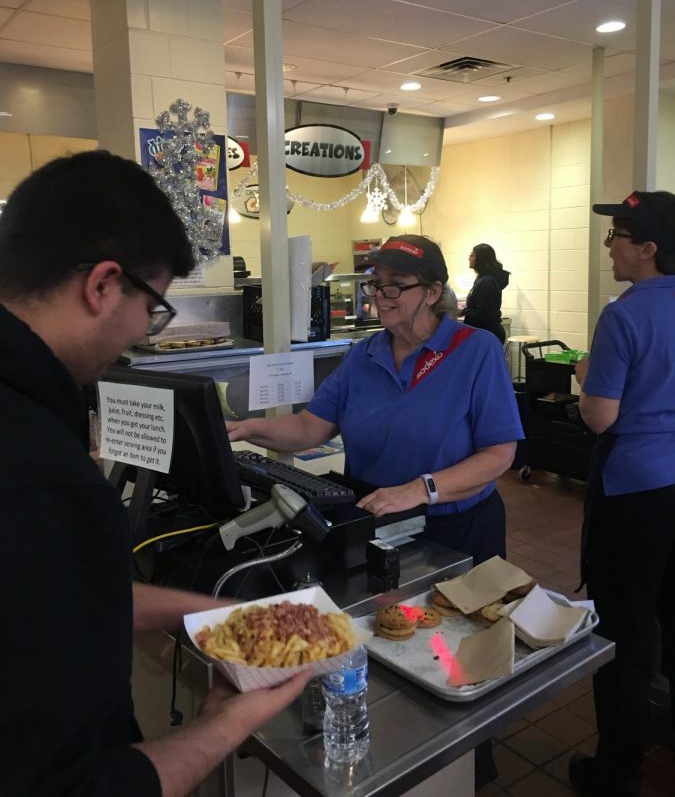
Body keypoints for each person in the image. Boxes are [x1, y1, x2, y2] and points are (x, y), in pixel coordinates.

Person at [0, 151, 310, 797]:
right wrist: (227, 722)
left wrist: (217, 614)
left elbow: (57, 602)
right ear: (103, 285)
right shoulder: (42, 476)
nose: (143, 334)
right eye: (155, 308)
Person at [228, 234, 523, 567]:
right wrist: (243, 429)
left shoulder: (475, 350)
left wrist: (420, 489)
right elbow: (308, 428)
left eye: (396, 285)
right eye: (376, 284)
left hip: (456, 529)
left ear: (432, 292)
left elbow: (499, 454)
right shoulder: (364, 355)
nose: (381, 296)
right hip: (376, 522)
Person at [568, 191, 675, 797]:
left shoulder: (625, 314)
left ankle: (617, 772)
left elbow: (602, 418)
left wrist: (588, 378)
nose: (609, 245)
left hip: (635, 492)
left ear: (648, 249)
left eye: (618, 236)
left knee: (626, 633)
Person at [460, 243, 510, 343]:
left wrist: (463, 311)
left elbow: (484, 314)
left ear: (481, 259)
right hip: (483, 333)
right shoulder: (482, 279)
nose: (469, 258)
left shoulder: (486, 282)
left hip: (487, 335)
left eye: (472, 255)